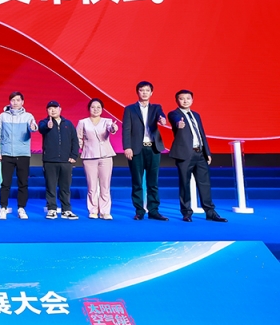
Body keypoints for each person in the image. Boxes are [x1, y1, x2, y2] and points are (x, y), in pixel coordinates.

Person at [168, 90, 227, 223]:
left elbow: (202, 134)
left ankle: (210, 212)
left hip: (200, 153)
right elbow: (175, 120)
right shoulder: (174, 114)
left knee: (204, 183)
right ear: (177, 100)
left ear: (192, 100)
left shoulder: (196, 115)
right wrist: (178, 124)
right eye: (182, 98)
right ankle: (187, 212)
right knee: (185, 183)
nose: (185, 101)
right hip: (184, 154)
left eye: (188, 98)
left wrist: (207, 152)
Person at [122, 81, 167, 221]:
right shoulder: (130, 109)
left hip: (153, 148)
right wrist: (127, 147)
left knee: (153, 182)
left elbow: (161, 115)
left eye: (147, 90)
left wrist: (162, 119)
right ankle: (139, 211)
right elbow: (126, 129)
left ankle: (153, 211)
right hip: (137, 149)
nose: (145, 93)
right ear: (138, 92)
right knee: (137, 181)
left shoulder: (156, 108)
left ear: (151, 93)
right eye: (142, 90)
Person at [0, 91, 38, 220]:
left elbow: (33, 128)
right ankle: (3, 207)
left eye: (18, 100)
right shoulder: (3, 116)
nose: (15, 103)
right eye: (13, 100)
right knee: (5, 183)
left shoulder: (28, 116)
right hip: (7, 154)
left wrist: (33, 126)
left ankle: (21, 208)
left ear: (22, 102)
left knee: (23, 183)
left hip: (23, 154)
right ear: (10, 102)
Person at [76, 98, 117, 220]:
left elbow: (111, 129)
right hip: (89, 156)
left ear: (102, 109)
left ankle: (105, 211)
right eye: (93, 107)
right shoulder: (83, 122)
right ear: (89, 108)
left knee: (105, 185)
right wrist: (80, 149)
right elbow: (78, 138)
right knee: (92, 186)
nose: (96, 109)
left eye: (99, 107)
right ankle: (93, 210)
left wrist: (114, 128)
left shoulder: (107, 121)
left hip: (106, 156)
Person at [38, 101, 80, 220]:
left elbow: (75, 140)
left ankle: (66, 210)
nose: (53, 110)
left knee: (65, 187)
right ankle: (52, 209)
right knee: (51, 187)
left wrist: (74, 155)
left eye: (55, 108)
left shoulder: (68, 124)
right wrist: (48, 126)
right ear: (47, 111)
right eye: (50, 108)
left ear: (60, 109)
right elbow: (41, 129)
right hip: (50, 161)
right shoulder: (44, 123)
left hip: (66, 161)